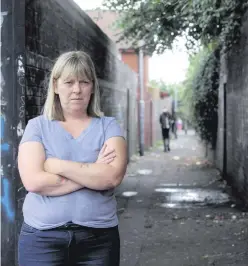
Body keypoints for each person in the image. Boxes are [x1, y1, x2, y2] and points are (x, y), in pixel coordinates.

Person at [18, 50, 127, 266]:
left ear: (93, 86)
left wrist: (56, 165)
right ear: (56, 86)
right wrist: (93, 171)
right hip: (42, 241)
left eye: (84, 82)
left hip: (98, 242)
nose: (77, 89)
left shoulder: (109, 126)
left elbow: (112, 177)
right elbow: (34, 181)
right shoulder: (37, 126)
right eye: (69, 82)